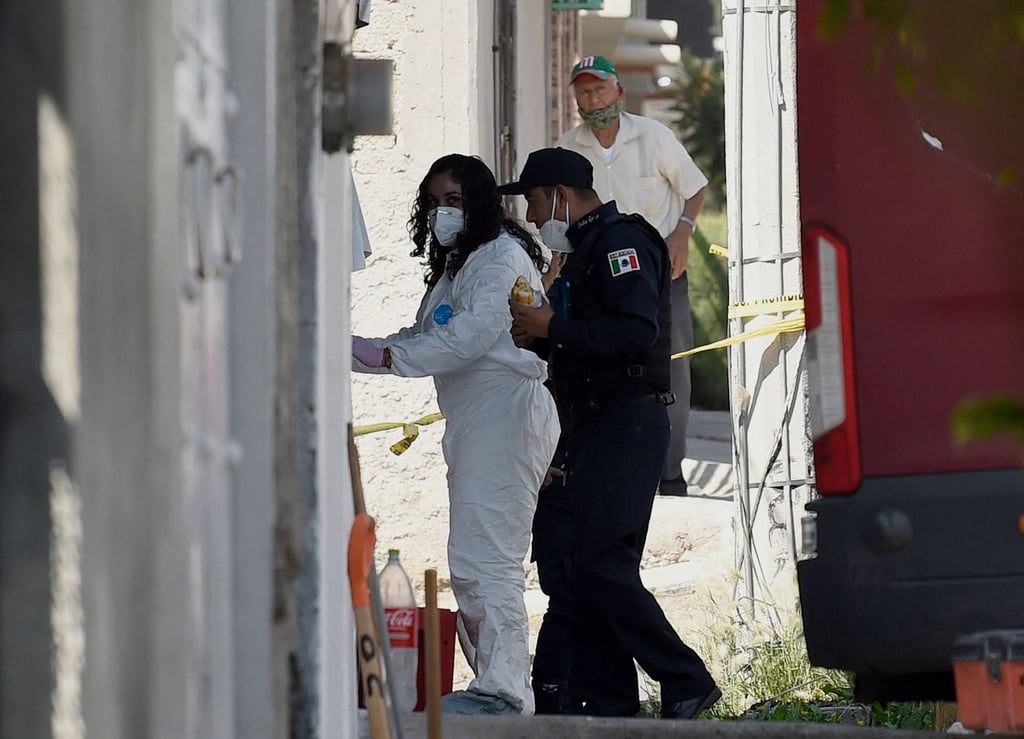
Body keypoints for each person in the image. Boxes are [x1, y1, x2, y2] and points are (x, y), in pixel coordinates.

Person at [500, 147, 720, 719]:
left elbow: (632, 331)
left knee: (603, 562)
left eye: (533, 200)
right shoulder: (581, 252)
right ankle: (610, 702)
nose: (531, 212)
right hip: (593, 421)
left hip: (628, 417)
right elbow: (583, 341)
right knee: (584, 568)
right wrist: (542, 335)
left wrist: (555, 325)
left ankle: (685, 678)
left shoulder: (622, 242)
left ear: (561, 197)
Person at [351, 153, 560, 716]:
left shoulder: (498, 259)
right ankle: (495, 684)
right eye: (437, 201)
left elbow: (467, 337)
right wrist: (357, 351)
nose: (443, 213)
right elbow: (429, 332)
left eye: (455, 201)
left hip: (507, 415)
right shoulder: (459, 266)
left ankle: (506, 691)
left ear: (481, 204)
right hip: (479, 420)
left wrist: (387, 356)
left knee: (490, 557)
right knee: (472, 556)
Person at [555, 54, 709, 497]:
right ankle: (607, 463)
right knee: (599, 363)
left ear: (619, 92)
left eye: (600, 88)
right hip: (595, 277)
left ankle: (670, 473)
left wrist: (684, 231)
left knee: (673, 365)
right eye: (584, 91)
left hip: (659, 274)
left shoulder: (654, 137)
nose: (593, 98)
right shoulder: (568, 148)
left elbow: (695, 188)